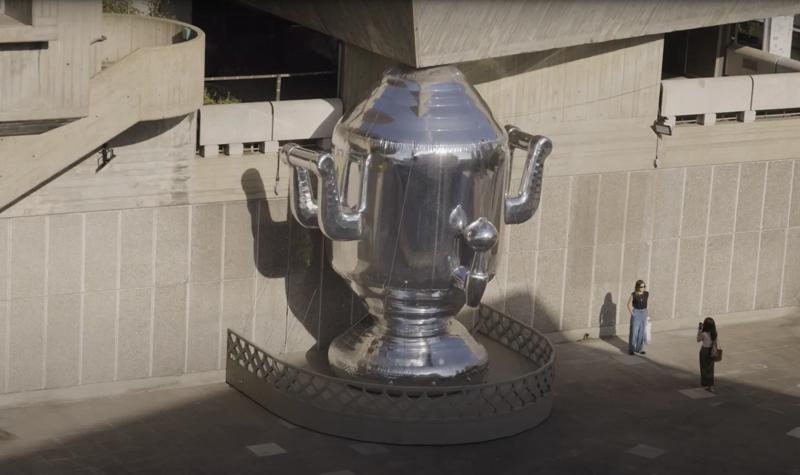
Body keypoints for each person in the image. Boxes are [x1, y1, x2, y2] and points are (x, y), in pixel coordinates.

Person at [696, 317, 719, 392]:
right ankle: (711, 385)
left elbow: (698, 340)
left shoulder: (703, 334)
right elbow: (715, 343)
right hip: (711, 351)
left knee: (703, 368)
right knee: (710, 368)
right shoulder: (714, 333)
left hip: (704, 351)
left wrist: (699, 331)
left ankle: (705, 385)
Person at [626, 280, 648, 355]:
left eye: (644, 286)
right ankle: (631, 349)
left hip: (644, 313)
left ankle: (640, 349)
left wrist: (647, 315)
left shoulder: (646, 294)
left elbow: (646, 304)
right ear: (638, 287)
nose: (643, 288)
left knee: (642, 332)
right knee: (634, 332)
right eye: (642, 286)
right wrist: (633, 314)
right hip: (636, 313)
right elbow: (628, 304)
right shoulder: (634, 294)